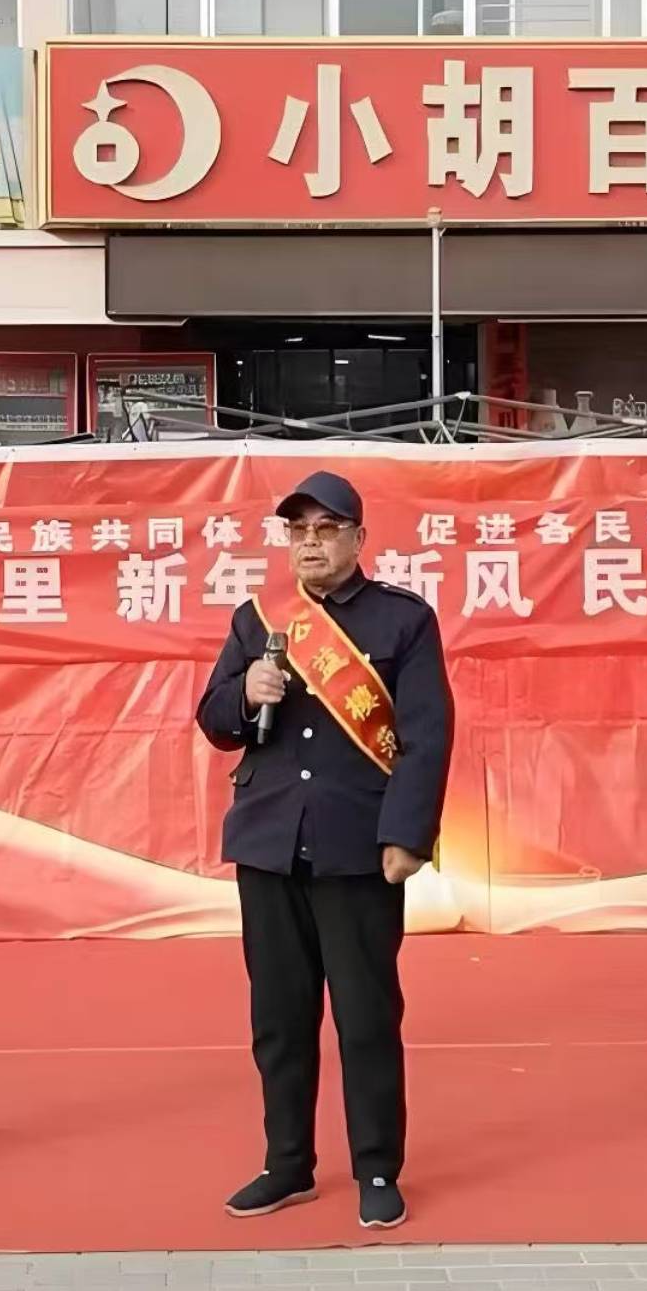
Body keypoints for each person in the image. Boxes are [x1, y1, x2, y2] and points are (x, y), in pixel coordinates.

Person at [196, 470, 454, 1232]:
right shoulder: (258, 621)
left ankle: (376, 1166)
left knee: (366, 1015)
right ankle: (288, 1163)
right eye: (299, 530)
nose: (311, 543)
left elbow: (427, 734)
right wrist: (246, 691)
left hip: (356, 846)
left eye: (327, 529)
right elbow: (214, 719)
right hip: (269, 842)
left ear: (358, 538)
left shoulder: (403, 620)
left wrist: (408, 834)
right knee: (279, 1017)